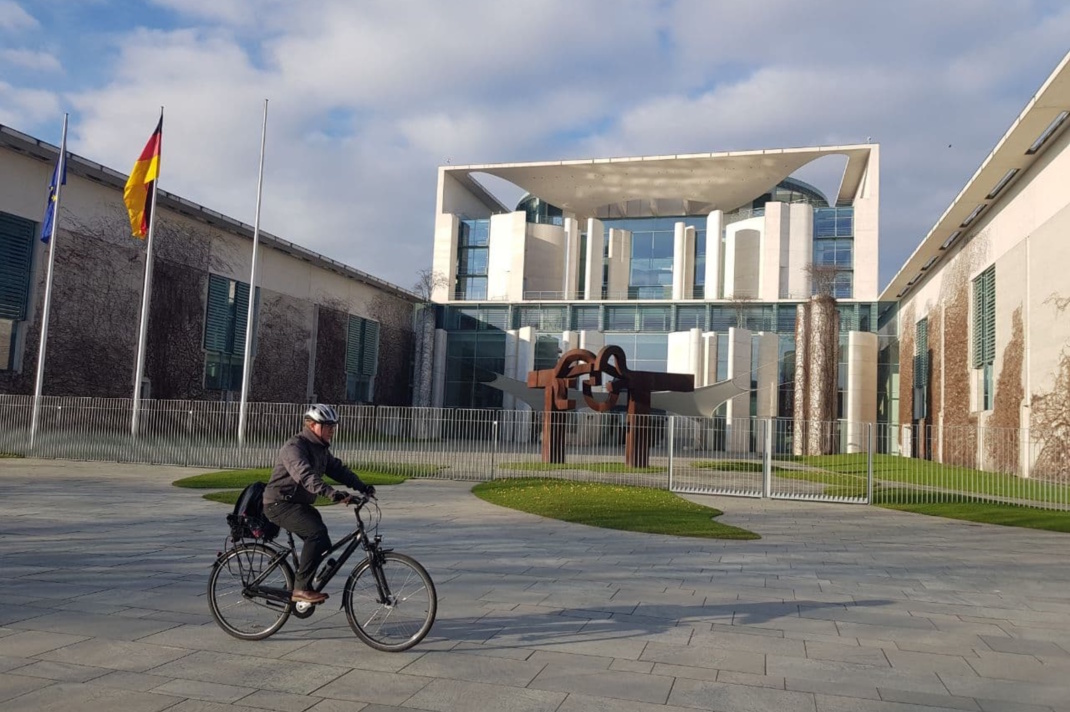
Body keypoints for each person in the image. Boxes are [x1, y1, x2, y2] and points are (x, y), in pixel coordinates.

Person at [263, 404, 375, 604]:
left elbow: (337, 469)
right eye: (328, 425)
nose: (332, 430)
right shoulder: (295, 447)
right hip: (279, 504)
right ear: (312, 425)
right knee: (315, 533)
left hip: (298, 504)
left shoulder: (320, 449)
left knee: (323, 542)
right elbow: (305, 476)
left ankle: (308, 581)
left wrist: (363, 487)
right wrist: (332, 493)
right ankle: (300, 589)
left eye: (333, 425)